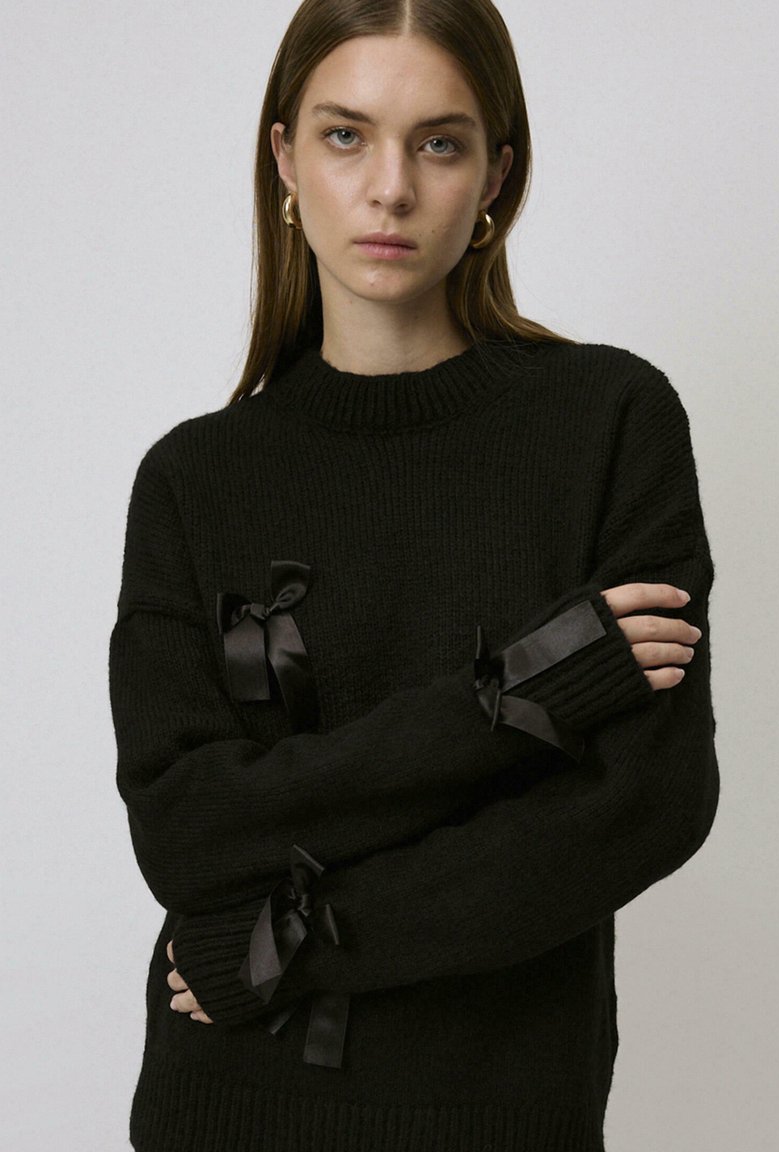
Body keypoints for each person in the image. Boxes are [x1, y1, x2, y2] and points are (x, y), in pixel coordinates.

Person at [108, 1, 719, 1149]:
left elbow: (642, 807)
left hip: (493, 1106)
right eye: (344, 135)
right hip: (226, 1099)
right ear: (284, 159)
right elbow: (186, 832)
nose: (388, 188)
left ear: (496, 175)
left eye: (438, 142)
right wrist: (516, 698)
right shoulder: (194, 479)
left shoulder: (608, 421)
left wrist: (296, 937)